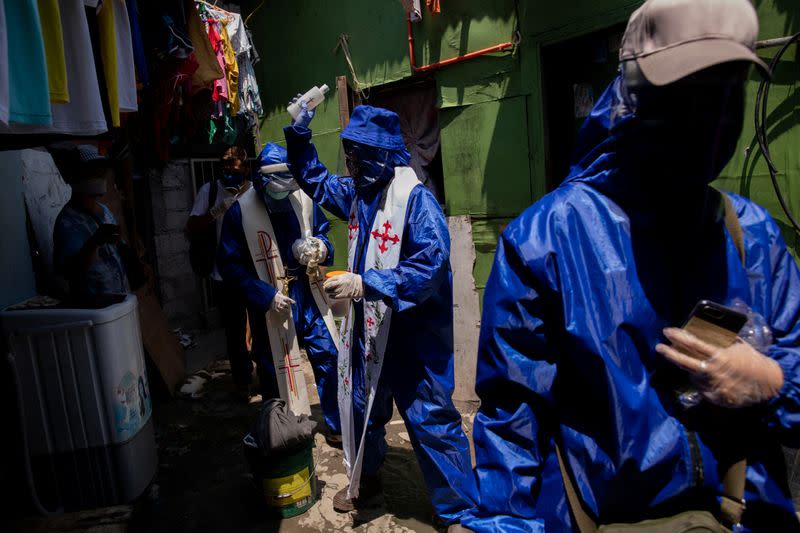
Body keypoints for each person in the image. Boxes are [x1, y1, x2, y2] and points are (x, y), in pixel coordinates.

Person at [462, 0, 800, 531]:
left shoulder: (752, 238)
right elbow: (513, 432)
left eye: (727, 91)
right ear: (631, 95)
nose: (710, 119)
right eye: (686, 95)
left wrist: (772, 379)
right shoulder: (546, 241)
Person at [283, 102, 477, 526]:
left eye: (363, 154)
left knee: (431, 421)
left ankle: (460, 511)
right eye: (350, 153)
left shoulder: (417, 201)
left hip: (412, 337)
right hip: (369, 335)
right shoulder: (356, 193)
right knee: (360, 410)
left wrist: (366, 283)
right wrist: (298, 135)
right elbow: (315, 180)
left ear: (388, 155)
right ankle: (366, 484)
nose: (353, 163)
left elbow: (430, 266)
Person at [216, 143, 341, 441]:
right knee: (274, 367)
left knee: (328, 354)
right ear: (261, 181)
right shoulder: (241, 213)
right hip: (271, 300)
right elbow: (229, 266)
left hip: (307, 293)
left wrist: (322, 248)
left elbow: (324, 232)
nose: (283, 195)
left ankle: (336, 426)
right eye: (277, 189)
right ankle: (283, 433)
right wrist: (264, 295)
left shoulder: (304, 199)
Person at [186, 146, 253, 400]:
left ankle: (268, 378)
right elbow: (192, 226)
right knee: (234, 331)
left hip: (253, 272)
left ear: (245, 169)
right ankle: (243, 382)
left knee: (260, 327)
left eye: (234, 168)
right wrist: (215, 212)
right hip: (224, 273)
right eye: (224, 167)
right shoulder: (210, 191)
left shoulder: (254, 191)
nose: (228, 172)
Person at [52, 144, 129, 303]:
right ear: (76, 176)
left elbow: (116, 248)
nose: (102, 177)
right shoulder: (67, 222)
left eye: (102, 172)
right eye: (94, 172)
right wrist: (95, 242)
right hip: (94, 309)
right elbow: (70, 272)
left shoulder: (105, 211)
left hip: (119, 303)